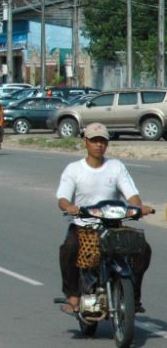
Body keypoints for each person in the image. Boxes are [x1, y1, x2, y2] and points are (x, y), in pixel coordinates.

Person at [55, 123, 154, 315]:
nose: (99, 145)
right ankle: (73, 295)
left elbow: (131, 194)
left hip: (113, 225)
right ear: (86, 142)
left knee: (142, 249)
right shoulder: (74, 169)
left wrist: (139, 208)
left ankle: (133, 296)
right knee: (69, 249)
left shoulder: (116, 166)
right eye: (94, 140)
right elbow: (63, 198)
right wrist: (70, 207)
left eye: (102, 141)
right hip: (84, 226)